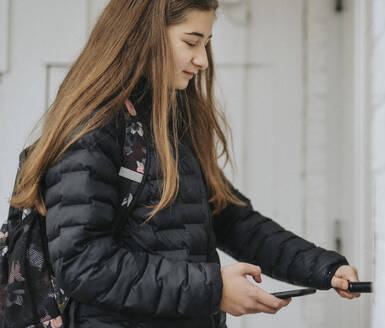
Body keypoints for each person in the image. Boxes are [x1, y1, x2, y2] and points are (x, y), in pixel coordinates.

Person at [9, 1, 360, 327]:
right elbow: (84, 265)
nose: (203, 60)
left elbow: (234, 220)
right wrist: (213, 288)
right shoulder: (94, 129)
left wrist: (324, 269)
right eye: (191, 42)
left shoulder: (168, 124)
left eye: (206, 43)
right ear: (142, 36)